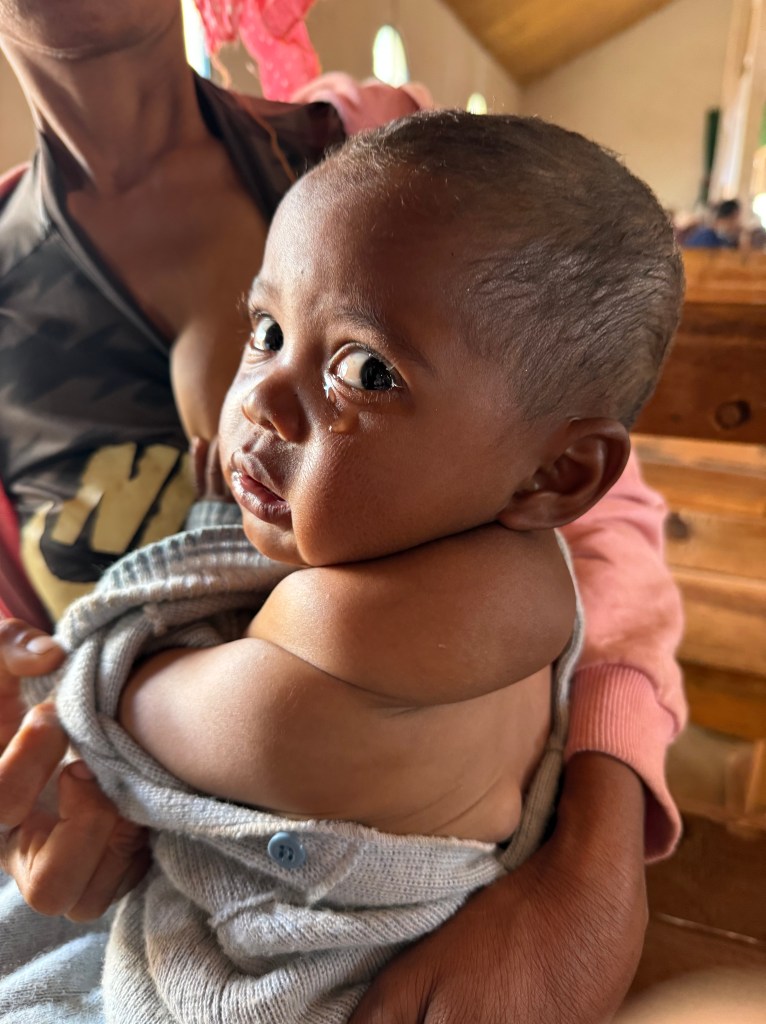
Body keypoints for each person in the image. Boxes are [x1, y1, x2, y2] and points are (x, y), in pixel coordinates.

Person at [0, 3, 685, 1022]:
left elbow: (181, 714)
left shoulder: (407, 173)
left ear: (553, 476)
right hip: (128, 873)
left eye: (363, 371)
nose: (261, 402)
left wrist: (595, 864)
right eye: (264, 331)